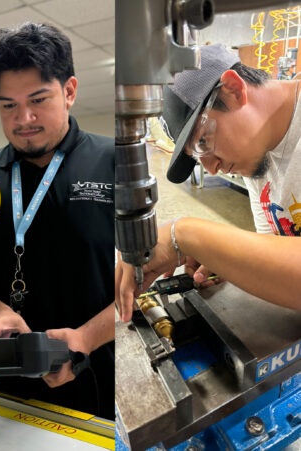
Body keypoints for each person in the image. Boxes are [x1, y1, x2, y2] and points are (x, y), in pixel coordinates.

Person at [0, 23, 114, 419]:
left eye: (38, 99)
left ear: (69, 92)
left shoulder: (115, 161)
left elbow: (146, 275)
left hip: (94, 372)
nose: (23, 118)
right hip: (5, 378)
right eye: (8, 104)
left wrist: (86, 337)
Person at [116, 44, 301, 321]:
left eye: (203, 141)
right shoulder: (257, 155)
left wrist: (187, 236)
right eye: (197, 155)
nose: (212, 169)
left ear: (234, 90)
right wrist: (230, 258)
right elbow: (278, 246)